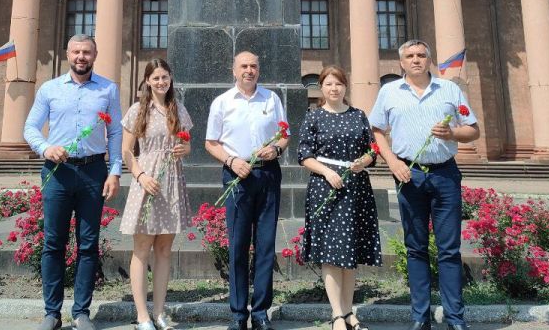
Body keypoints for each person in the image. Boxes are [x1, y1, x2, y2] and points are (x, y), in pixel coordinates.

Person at [368, 40, 480, 330]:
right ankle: (420, 316)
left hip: (445, 175)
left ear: (429, 60)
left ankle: (455, 317)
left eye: (421, 55)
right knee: (415, 247)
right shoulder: (389, 91)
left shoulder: (449, 90)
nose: (416, 60)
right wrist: (392, 161)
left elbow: (473, 130)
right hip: (409, 175)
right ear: (401, 63)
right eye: (410, 56)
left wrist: (452, 132)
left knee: (449, 249)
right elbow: (377, 129)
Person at [24, 34, 123, 330]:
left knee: (88, 245)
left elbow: (115, 132)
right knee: (53, 243)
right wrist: (45, 148)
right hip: (58, 172)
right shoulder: (49, 89)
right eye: (77, 52)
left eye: (87, 52)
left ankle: (81, 312)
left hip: (93, 171)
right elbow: (30, 127)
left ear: (95, 55)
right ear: (68, 54)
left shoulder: (108, 89)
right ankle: (51, 313)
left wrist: (115, 170)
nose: (82, 57)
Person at [205, 51, 288, 330]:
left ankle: (261, 312)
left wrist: (276, 147)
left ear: (258, 70)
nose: (249, 70)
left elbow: (285, 134)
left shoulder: (271, 99)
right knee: (238, 247)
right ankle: (239, 314)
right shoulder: (222, 102)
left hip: (267, 174)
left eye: (253, 66)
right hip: (236, 176)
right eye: (244, 66)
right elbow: (211, 142)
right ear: (234, 70)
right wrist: (231, 160)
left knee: (265, 246)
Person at [298, 66, 381, 330]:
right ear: (321, 88)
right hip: (326, 188)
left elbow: (372, 151)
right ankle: (336, 314)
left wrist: (365, 160)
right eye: (328, 84)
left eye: (338, 84)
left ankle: (349, 312)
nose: (334, 88)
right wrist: (327, 172)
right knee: (332, 253)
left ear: (345, 87)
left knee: (350, 252)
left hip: (356, 189)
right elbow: (304, 155)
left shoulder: (358, 115)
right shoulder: (314, 117)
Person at [120, 58, 193, 330]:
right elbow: (127, 151)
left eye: (165, 77)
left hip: (171, 180)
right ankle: (142, 316)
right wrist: (140, 176)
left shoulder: (178, 108)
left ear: (170, 79)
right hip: (147, 180)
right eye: (156, 78)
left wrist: (186, 149)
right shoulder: (138, 110)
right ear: (147, 81)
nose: (161, 82)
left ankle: (160, 313)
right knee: (141, 249)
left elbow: (187, 143)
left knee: (164, 249)